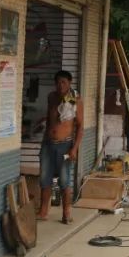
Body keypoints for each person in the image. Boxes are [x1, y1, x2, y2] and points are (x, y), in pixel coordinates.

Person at [39, 70, 83, 224]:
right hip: (48, 144)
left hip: (65, 145)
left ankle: (66, 213)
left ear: (70, 83)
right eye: (58, 82)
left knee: (65, 180)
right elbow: (50, 120)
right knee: (45, 178)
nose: (60, 85)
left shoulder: (74, 99)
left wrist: (74, 148)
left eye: (64, 82)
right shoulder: (51, 97)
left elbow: (80, 126)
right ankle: (44, 211)